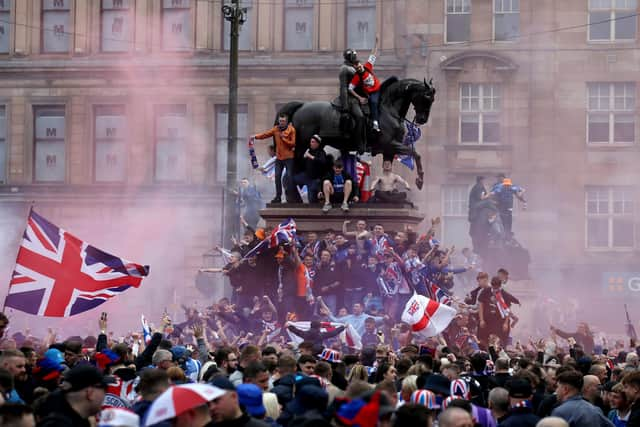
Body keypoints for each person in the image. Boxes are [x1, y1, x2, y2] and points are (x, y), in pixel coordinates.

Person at [36, 365, 115, 427]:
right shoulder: (59, 424)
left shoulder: (75, 420)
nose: (105, 395)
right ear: (90, 393)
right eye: (104, 389)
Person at [250, 113, 296, 203]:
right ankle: (278, 196)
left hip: (289, 157)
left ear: (286, 121)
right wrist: (255, 137)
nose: (281, 123)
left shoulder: (291, 129)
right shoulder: (276, 129)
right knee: (277, 176)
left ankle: (291, 196)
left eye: (283, 121)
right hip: (279, 157)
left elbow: (293, 143)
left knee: (289, 177)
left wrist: (284, 139)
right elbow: (266, 134)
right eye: (280, 121)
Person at [550, 370, 615, 427]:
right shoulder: (596, 410)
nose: (556, 391)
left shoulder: (560, 412)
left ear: (565, 389)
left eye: (558, 387)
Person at [349, 35, 381, 132]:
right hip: (372, 93)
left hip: (379, 87)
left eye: (359, 66)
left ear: (361, 64)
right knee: (374, 102)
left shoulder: (367, 66)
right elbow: (350, 88)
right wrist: (360, 97)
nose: (359, 68)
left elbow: (373, 55)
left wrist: (376, 43)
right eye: (357, 68)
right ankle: (375, 122)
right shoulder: (356, 77)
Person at [339, 48, 365, 153]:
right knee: (359, 116)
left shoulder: (354, 67)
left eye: (355, 55)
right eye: (353, 56)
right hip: (351, 98)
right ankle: (358, 142)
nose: (355, 57)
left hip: (360, 96)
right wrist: (345, 107)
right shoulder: (345, 69)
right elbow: (344, 88)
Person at [294, 134, 327, 204]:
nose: (311, 143)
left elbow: (323, 162)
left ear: (317, 143)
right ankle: (297, 200)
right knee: (290, 180)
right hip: (306, 176)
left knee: (312, 200)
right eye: (311, 142)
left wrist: (311, 157)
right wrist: (303, 157)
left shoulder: (321, 152)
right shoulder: (309, 151)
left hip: (314, 179)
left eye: (313, 142)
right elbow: (301, 164)